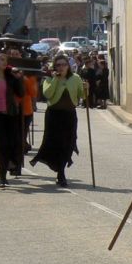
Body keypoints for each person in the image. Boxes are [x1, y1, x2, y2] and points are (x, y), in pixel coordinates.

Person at [30, 54, 85, 187]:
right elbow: (47, 94)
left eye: (64, 64)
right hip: (54, 115)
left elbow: (81, 95)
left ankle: (61, 170)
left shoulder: (75, 78)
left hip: (69, 115)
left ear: (68, 66)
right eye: (58, 65)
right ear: (54, 67)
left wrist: (86, 88)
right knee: (55, 143)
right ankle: (60, 173)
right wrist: (55, 79)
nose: (61, 67)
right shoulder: (49, 78)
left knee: (68, 143)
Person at [0, 52, 24, 188]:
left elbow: (21, 93)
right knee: (2, 146)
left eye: (5, 59)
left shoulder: (11, 78)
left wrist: (19, 79)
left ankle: (12, 163)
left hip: (11, 114)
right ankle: (2, 177)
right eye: (1, 59)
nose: (4, 62)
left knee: (12, 144)